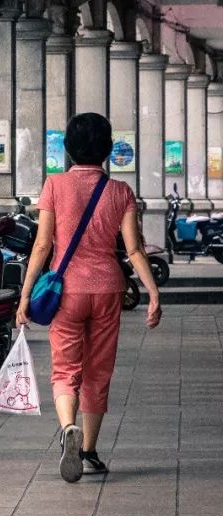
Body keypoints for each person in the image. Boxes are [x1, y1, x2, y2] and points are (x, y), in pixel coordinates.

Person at [16, 111, 161, 482]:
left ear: (68, 149)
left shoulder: (55, 185)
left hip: (66, 291)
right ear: (108, 149)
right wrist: (153, 292)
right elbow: (134, 250)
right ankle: (90, 450)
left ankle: (67, 428)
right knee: (98, 371)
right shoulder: (120, 192)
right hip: (109, 289)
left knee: (66, 367)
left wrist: (25, 295)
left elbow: (42, 245)